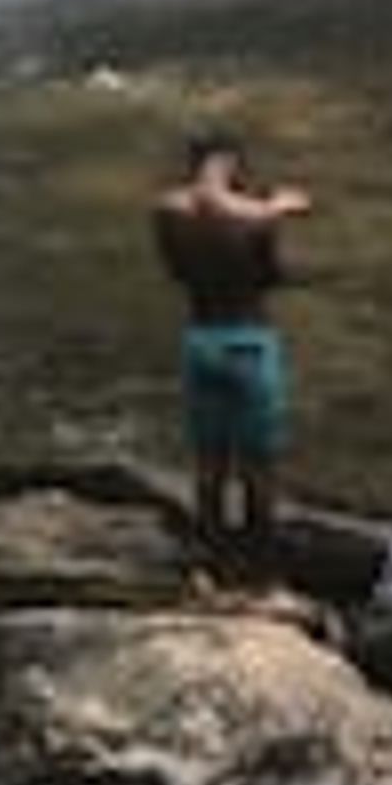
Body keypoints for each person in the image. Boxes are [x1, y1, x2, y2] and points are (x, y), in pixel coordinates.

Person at [153, 129, 313, 572]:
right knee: (258, 468)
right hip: (249, 343)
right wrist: (275, 209)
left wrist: (263, 211)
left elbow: (176, 267)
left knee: (209, 464)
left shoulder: (168, 213)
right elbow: (269, 275)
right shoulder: (252, 219)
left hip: (199, 341)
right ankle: (258, 568)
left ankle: (208, 557)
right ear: (225, 162)